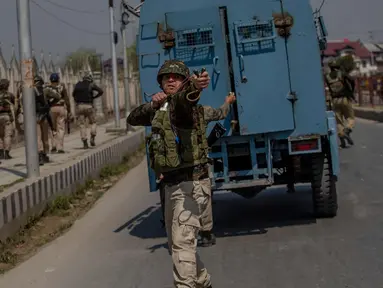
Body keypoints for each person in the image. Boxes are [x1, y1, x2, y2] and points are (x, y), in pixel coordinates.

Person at [127, 59, 220, 288]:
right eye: (166, 76)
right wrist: (153, 105)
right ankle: (203, 281)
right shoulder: (161, 109)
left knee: (182, 243)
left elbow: (185, 98)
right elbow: (132, 118)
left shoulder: (183, 107)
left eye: (177, 77)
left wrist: (195, 87)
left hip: (191, 185)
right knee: (177, 246)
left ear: (184, 81)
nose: (171, 79)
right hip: (170, 187)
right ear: (160, 82)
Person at [325, 59, 355, 148]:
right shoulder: (341, 73)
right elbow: (352, 80)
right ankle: (347, 130)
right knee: (350, 118)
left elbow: (330, 89)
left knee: (338, 121)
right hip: (344, 99)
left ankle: (342, 138)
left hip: (334, 100)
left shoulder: (327, 77)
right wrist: (351, 91)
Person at [33, 75, 60, 165]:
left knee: (38, 137)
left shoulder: (29, 90)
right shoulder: (46, 90)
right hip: (43, 116)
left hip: (34, 116)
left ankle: (40, 154)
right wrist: (49, 104)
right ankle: (44, 154)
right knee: (45, 137)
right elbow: (58, 96)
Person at [72, 73, 103, 149]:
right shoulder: (91, 85)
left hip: (79, 106)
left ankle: (85, 141)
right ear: (90, 79)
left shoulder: (77, 85)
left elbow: (73, 94)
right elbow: (101, 91)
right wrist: (94, 97)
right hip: (89, 106)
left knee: (82, 124)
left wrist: (77, 101)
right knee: (93, 122)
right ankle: (92, 135)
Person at [46, 73, 72, 153]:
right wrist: (69, 110)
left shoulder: (47, 88)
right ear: (58, 79)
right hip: (61, 108)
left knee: (52, 128)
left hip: (51, 109)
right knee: (61, 128)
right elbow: (67, 99)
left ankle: (53, 146)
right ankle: (60, 147)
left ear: (50, 80)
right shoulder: (62, 87)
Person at [0, 79, 16, 160]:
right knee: (7, 135)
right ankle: (6, 153)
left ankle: (1, 153)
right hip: (6, 116)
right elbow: (15, 104)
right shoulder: (9, 95)